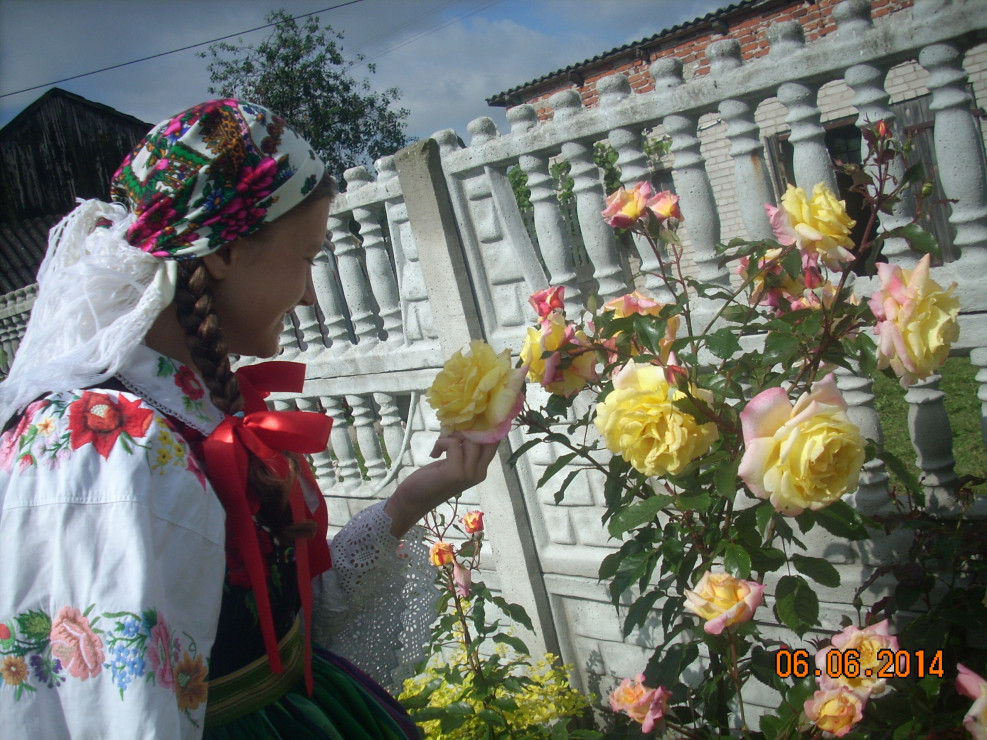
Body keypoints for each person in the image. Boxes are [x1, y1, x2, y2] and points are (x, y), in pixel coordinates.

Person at [0, 99, 499, 738]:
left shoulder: (193, 410)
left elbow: (279, 631)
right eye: (307, 257)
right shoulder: (103, 451)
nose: (312, 293)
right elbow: (117, 716)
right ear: (222, 253)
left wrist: (412, 499)